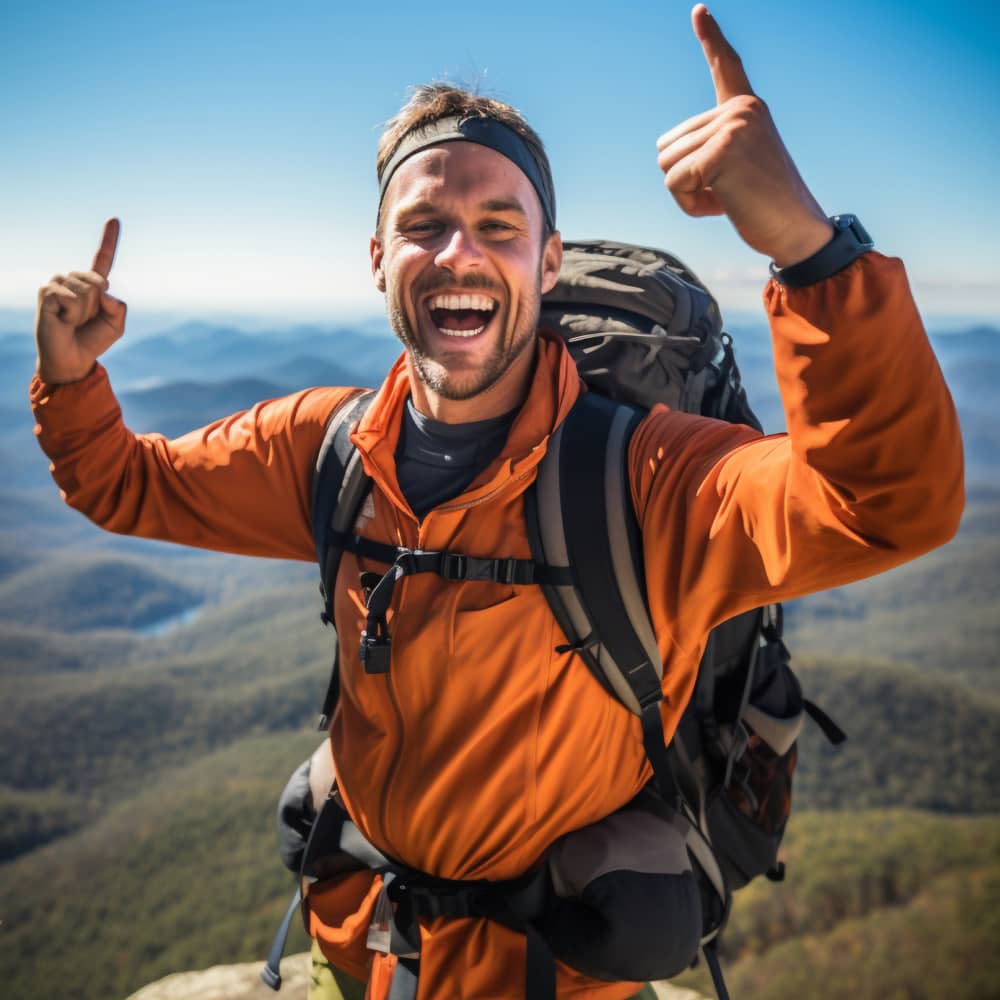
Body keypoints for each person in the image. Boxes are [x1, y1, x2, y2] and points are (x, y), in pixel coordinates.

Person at [31, 6, 963, 999]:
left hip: (550, 972)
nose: (458, 254)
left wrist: (809, 249)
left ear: (545, 263)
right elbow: (129, 484)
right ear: (378, 259)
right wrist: (73, 382)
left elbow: (884, 501)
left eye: (498, 226)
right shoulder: (327, 448)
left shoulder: (646, 480)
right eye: (422, 226)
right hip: (371, 948)